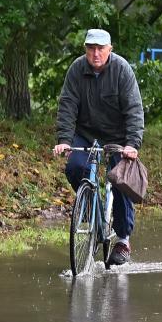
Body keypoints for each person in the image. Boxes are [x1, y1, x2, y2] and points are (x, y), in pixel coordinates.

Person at [53, 28, 144, 266]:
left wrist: (132, 144)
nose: (95, 54)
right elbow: (67, 105)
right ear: (85, 49)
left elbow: (134, 109)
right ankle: (92, 214)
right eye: (91, 49)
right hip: (85, 134)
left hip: (117, 137)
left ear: (109, 50)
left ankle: (123, 240)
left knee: (120, 181)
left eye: (100, 49)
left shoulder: (122, 70)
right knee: (74, 168)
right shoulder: (76, 70)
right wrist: (64, 139)